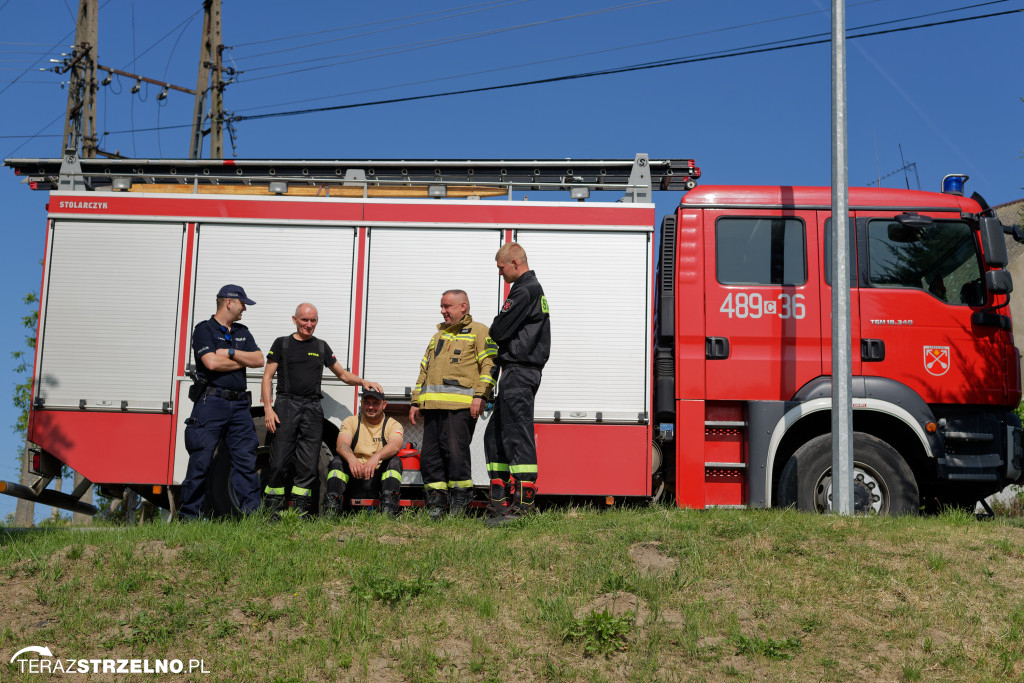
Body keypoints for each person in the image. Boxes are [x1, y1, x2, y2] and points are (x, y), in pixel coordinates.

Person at [261, 303, 383, 518]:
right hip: (286, 405)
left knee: (308, 464)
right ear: (294, 319)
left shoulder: (321, 347)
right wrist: (268, 409)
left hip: (312, 408)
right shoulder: (282, 344)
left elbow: (343, 375)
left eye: (313, 320)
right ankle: (273, 512)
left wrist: (363, 381)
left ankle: (299, 512)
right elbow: (267, 376)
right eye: (304, 320)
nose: (309, 325)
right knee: (279, 461)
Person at [179, 285, 265, 521]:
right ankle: (188, 519)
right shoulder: (204, 329)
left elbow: (258, 360)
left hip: (238, 407)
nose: (244, 308)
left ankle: (253, 518)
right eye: (242, 303)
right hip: (211, 402)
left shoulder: (242, 331)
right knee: (201, 462)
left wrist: (228, 352)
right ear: (229, 302)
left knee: (245, 461)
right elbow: (211, 364)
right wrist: (241, 358)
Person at [409, 290, 497, 519]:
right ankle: (436, 505)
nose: (443, 311)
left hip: (460, 409)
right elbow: (424, 371)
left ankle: (460, 501)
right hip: (432, 408)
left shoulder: (479, 331)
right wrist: (415, 401)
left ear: (463, 307)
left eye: (447, 306)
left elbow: (490, 365)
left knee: (456, 455)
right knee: (430, 457)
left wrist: (481, 396)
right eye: (442, 306)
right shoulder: (437, 336)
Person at [485, 243, 551, 524]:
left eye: (501, 268)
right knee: (495, 435)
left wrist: (497, 326)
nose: (500, 273)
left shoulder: (525, 289)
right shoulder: (530, 289)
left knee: (517, 436)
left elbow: (497, 330)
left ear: (514, 262)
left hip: (520, 371)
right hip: (516, 372)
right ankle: (499, 503)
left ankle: (523, 507)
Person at [324, 389, 405, 516]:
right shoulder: (351, 421)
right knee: (337, 462)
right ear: (361, 403)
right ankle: (331, 512)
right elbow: (341, 445)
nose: (371, 407)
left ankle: (388, 513)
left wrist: (376, 457)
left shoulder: (392, 424)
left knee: (395, 462)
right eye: (367, 403)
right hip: (354, 477)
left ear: (384, 404)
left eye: (375, 403)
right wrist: (351, 459)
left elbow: (395, 445)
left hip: (377, 481)